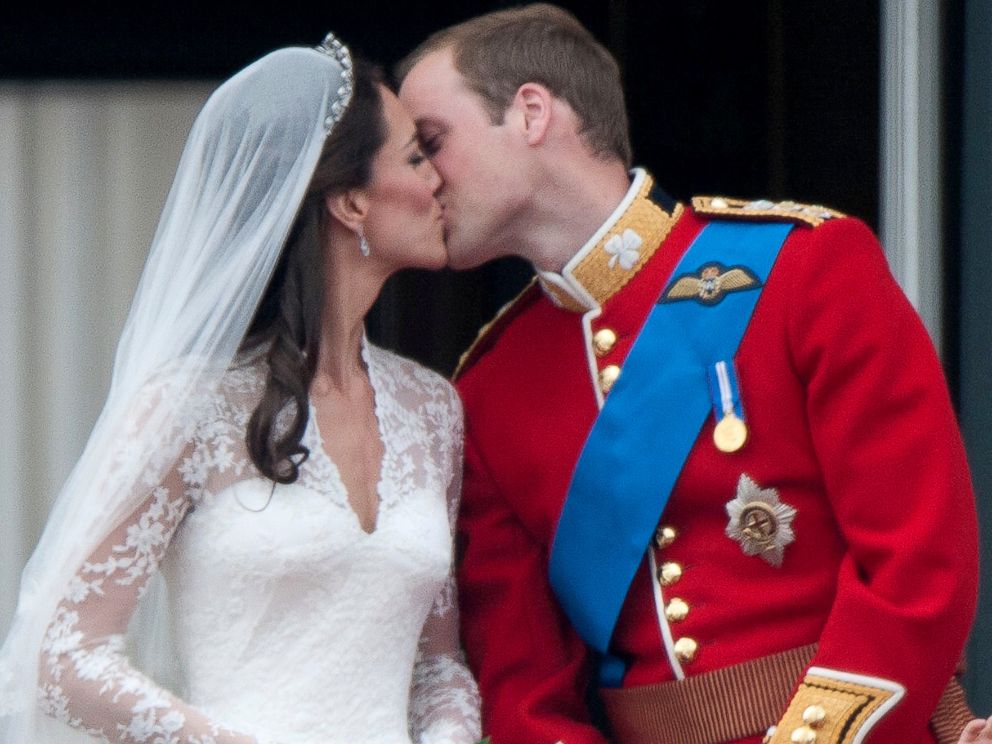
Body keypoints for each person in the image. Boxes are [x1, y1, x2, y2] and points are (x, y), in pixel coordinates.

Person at [397, 4, 983, 744]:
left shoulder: (804, 268)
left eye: (432, 142)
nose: (423, 181)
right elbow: (525, 690)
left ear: (531, 113)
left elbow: (920, 567)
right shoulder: (489, 386)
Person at [0, 34, 481, 744]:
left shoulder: (434, 409)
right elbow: (61, 653)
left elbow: (438, 665)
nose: (439, 179)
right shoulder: (190, 406)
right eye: (416, 157)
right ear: (350, 202)